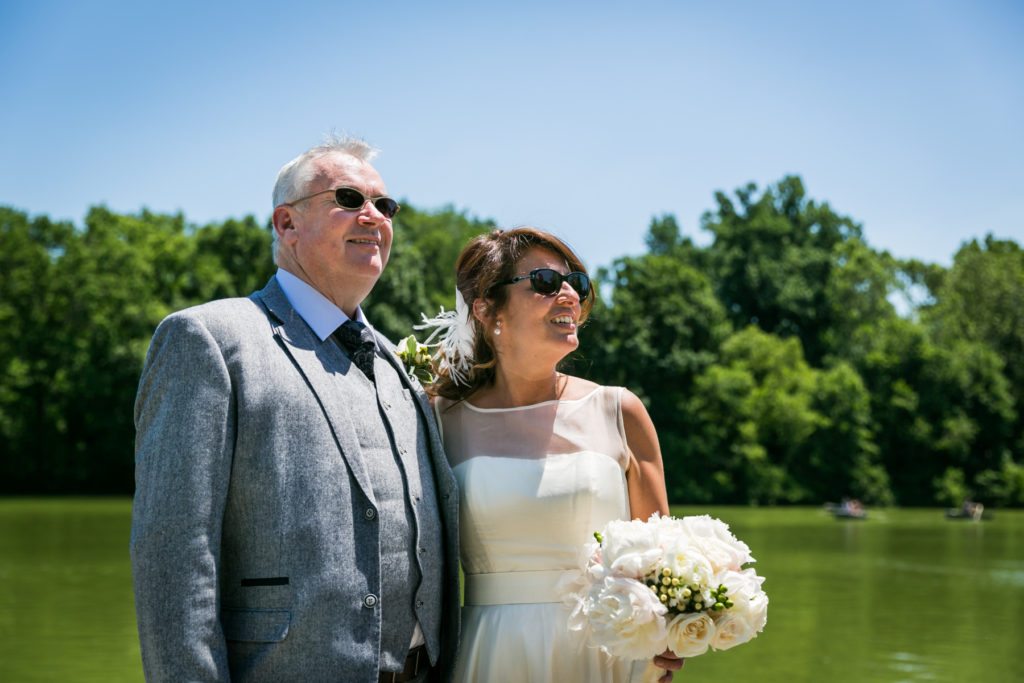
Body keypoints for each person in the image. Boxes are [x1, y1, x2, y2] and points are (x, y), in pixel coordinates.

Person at [130, 136, 460, 682]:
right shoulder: (210, 339)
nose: (374, 216)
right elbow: (173, 559)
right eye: (349, 199)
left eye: (386, 205)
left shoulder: (397, 366)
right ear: (287, 224)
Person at [422, 227, 683, 682]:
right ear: (486, 309)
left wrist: (675, 633)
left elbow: (663, 567)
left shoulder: (620, 411)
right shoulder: (440, 420)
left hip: (608, 656)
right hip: (491, 652)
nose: (568, 295)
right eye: (544, 281)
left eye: (576, 284)